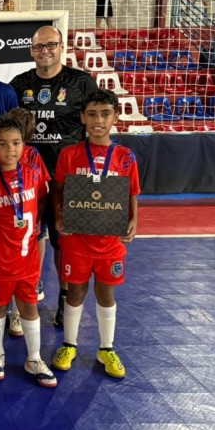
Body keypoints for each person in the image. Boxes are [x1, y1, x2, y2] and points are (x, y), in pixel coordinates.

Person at [10, 25, 100, 327]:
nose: (45, 51)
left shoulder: (81, 82)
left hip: (68, 179)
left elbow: (98, 121)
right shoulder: (20, 84)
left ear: (61, 47)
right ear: (31, 50)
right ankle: (28, 292)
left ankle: (64, 298)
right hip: (28, 179)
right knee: (28, 236)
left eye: (51, 45)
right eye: (39, 46)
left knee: (65, 242)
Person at [51, 89, 140, 379]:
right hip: (76, 239)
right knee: (75, 291)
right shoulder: (69, 154)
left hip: (110, 241)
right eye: (92, 114)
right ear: (82, 118)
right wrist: (60, 216)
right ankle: (69, 344)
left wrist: (134, 221)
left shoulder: (126, 157)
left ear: (116, 117)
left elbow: (131, 193)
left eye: (105, 114)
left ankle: (106, 348)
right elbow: (58, 191)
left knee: (106, 292)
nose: (98, 120)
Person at [0, 116, 56, 387]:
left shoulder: (33, 173)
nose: (10, 149)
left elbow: (43, 200)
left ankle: (34, 358)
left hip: (27, 258)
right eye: (2, 143)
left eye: (16, 143)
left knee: (29, 306)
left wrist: (40, 224)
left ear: (24, 145)